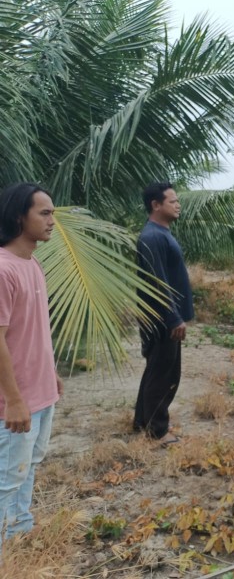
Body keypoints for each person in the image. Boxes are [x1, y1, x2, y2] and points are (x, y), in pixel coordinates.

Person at [0, 183, 63, 545]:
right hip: (16, 400)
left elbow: (32, 329)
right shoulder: (3, 269)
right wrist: (13, 399)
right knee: (6, 479)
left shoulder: (32, 263)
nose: (52, 220)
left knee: (27, 468)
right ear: (18, 216)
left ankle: (19, 530)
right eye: (45, 213)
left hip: (40, 393)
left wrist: (50, 373)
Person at [133, 183, 193, 446]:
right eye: (172, 201)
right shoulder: (152, 237)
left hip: (164, 317)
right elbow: (158, 282)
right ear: (156, 205)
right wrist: (173, 318)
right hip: (161, 319)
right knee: (164, 375)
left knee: (156, 371)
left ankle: (143, 422)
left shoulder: (160, 233)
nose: (178, 205)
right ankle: (157, 431)